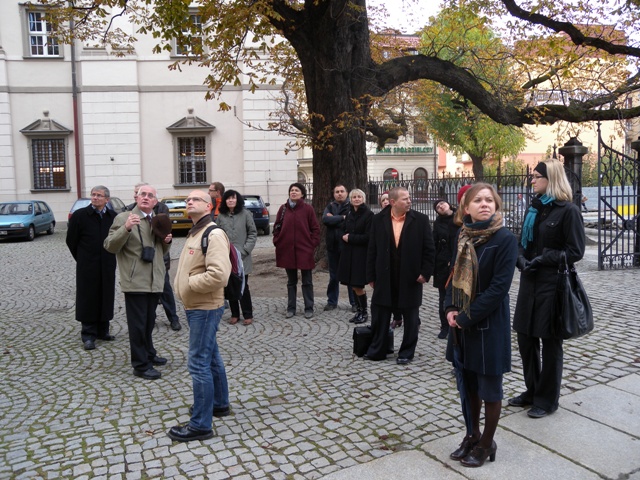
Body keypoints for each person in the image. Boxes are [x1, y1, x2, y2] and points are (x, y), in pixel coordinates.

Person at [444, 183, 518, 468]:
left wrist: (465, 317)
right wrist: (450, 308)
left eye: (490, 200)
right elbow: (452, 276)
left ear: (496, 205)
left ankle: (487, 443)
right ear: (466, 208)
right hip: (461, 326)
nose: (485, 204)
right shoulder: (462, 236)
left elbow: (498, 289)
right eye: (478, 200)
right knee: (469, 387)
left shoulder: (505, 239)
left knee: (490, 389)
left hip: (487, 325)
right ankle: (472, 435)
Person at [510, 159, 585, 418]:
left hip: (553, 286)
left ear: (550, 179)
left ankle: (547, 399)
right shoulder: (535, 208)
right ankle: (532, 390)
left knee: (550, 344)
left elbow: (575, 252)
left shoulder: (568, 211)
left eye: (536, 176)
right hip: (529, 282)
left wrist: (543, 259)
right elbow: (522, 242)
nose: (532, 180)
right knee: (525, 339)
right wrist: (521, 260)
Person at [168, 190, 232, 442]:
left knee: (198, 363)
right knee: (211, 357)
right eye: (187, 200)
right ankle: (218, 404)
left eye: (194, 199)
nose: (188, 202)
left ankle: (201, 425)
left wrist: (190, 284)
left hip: (204, 307)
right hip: (197, 306)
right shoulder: (196, 231)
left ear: (208, 206)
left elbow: (219, 275)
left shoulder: (213, 233)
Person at [104, 184, 172, 380]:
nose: (146, 198)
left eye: (150, 195)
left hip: (155, 279)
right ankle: (141, 365)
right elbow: (109, 246)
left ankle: (149, 353)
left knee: (149, 322)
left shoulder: (156, 220)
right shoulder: (124, 218)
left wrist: (167, 242)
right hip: (136, 281)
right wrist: (125, 229)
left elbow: (160, 252)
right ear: (136, 197)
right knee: (138, 325)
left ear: (155, 202)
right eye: (143, 194)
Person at [365, 186, 435, 364]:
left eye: (409, 198)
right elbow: (372, 248)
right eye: (405, 198)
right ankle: (378, 349)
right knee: (380, 314)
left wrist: (425, 273)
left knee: (411, 317)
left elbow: (429, 250)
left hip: (411, 276)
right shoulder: (378, 219)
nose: (409, 201)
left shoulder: (420, 220)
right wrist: (371, 275)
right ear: (393, 201)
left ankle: (406, 352)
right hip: (384, 275)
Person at [66, 185, 118, 351]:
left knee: (106, 294)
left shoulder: (113, 216)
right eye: (93, 195)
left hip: (107, 263)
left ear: (106, 199)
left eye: (99, 195)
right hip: (87, 265)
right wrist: (82, 258)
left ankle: (103, 330)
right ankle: (88, 334)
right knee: (88, 297)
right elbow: (71, 241)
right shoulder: (80, 216)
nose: (95, 198)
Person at [128, 182, 182, 332]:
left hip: (159, 258)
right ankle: (149, 320)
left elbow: (164, 231)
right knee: (146, 293)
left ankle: (173, 318)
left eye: (139, 191)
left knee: (164, 289)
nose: (136, 194)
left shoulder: (160, 208)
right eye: (136, 192)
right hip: (141, 261)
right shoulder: (129, 210)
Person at [273, 182, 320, 319]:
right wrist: (277, 241)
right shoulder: (283, 209)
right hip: (287, 250)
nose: (293, 192)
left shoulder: (307, 209)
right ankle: (291, 308)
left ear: (302, 194)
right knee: (291, 282)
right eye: (292, 190)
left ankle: (309, 307)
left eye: (297, 190)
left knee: (307, 281)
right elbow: (277, 227)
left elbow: (315, 229)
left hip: (304, 250)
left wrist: (311, 244)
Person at [216, 189, 257, 325]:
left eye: (233, 198)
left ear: (237, 200)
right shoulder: (221, 216)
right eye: (228, 198)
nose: (231, 201)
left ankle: (247, 314)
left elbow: (252, 233)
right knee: (230, 286)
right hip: (226, 256)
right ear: (225, 201)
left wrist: (245, 250)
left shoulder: (245, 214)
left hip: (242, 256)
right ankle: (234, 314)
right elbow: (216, 234)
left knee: (243, 286)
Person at [338, 188, 374, 324]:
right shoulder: (349, 213)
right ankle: (358, 310)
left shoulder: (369, 215)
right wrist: (343, 235)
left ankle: (364, 312)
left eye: (359, 197)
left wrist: (351, 238)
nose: (357, 199)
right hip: (349, 254)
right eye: (354, 197)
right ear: (351, 200)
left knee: (358, 284)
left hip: (360, 254)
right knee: (352, 284)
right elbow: (342, 228)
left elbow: (368, 237)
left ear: (363, 199)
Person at [322, 184, 356, 312]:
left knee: (350, 276)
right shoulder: (330, 206)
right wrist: (342, 218)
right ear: (334, 194)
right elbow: (325, 220)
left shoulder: (352, 206)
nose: (339, 194)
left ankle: (354, 302)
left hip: (347, 246)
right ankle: (332, 302)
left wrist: (334, 219)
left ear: (346, 193)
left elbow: (351, 221)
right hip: (332, 246)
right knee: (333, 276)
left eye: (342, 191)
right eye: (337, 192)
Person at [432, 198, 458, 339]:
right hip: (442, 264)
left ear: (449, 204)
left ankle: (458, 323)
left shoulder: (459, 219)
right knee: (443, 297)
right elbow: (434, 243)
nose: (440, 206)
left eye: (442, 203)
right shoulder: (437, 224)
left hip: (458, 261)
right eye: (437, 206)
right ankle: (445, 327)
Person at [378, 191, 403, 328]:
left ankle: (413, 319)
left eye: (388, 199)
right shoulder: (379, 219)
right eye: (383, 200)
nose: (386, 202)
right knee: (392, 293)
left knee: (405, 293)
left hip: (402, 263)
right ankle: (397, 317)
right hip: (386, 264)